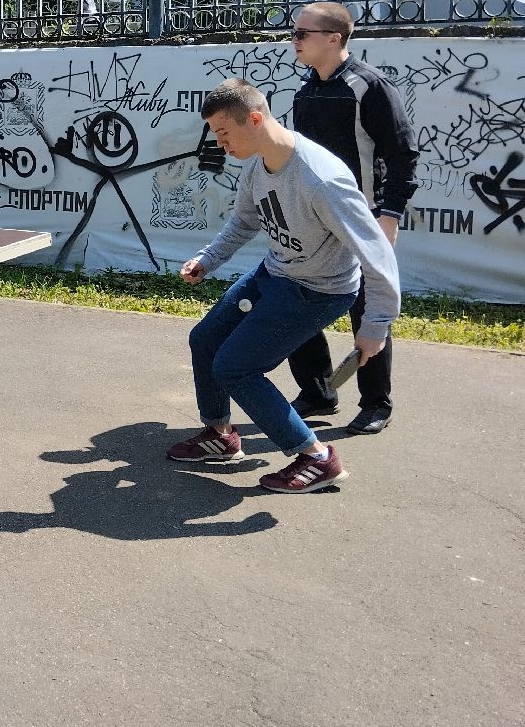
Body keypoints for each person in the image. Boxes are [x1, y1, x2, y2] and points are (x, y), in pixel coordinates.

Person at [170, 78, 400, 493]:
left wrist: (375, 325)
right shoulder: (258, 164)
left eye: (223, 132)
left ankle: (317, 457)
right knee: (205, 340)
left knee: (235, 367)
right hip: (275, 274)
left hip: (318, 292)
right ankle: (221, 436)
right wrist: (208, 259)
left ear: (254, 120)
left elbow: (378, 255)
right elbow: (244, 220)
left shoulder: (321, 180)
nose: (219, 143)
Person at [285, 1, 418, 434]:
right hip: (312, 222)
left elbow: (403, 156)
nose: (294, 40)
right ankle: (318, 392)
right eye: (294, 32)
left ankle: (376, 403)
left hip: (362, 220)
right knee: (297, 303)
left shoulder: (370, 87)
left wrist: (389, 217)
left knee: (367, 310)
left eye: (302, 33)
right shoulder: (305, 91)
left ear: (334, 38)